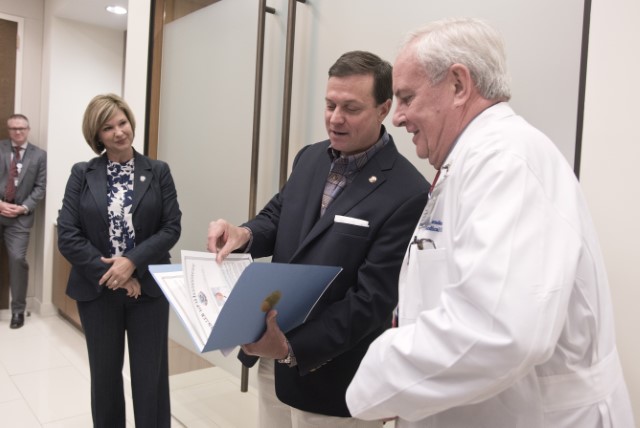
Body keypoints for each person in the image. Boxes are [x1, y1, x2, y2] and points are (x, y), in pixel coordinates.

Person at [345, 18, 636, 427]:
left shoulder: (506, 161)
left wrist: (377, 381)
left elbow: (498, 329)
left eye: (407, 97)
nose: (398, 117)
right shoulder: (471, 161)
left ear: (459, 85)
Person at [208, 50, 429, 427]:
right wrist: (244, 234)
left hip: (335, 378)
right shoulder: (310, 158)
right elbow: (279, 216)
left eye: (351, 108)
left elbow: (371, 301)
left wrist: (293, 347)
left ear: (384, 108)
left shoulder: (407, 192)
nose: (335, 118)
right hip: (271, 360)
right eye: (329, 105)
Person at [57, 94, 181, 428]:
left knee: (149, 378)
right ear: (97, 135)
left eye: (122, 122)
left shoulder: (158, 171)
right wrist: (117, 273)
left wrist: (132, 262)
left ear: (131, 121)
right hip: (98, 292)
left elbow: (171, 228)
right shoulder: (82, 174)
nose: (118, 132)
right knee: (105, 378)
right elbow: (67, 234)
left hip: (149, 292)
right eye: (108, 127)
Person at [0, 114, 46, 329]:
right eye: (13, 128)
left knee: (17, 260)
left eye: (21, 128)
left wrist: (23, 207)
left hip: (20, 218)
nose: (17, 132)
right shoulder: (0, 149)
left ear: (28, 129)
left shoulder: (40, 155)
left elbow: (40, 187)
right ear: (8, 130)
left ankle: (18, 310)